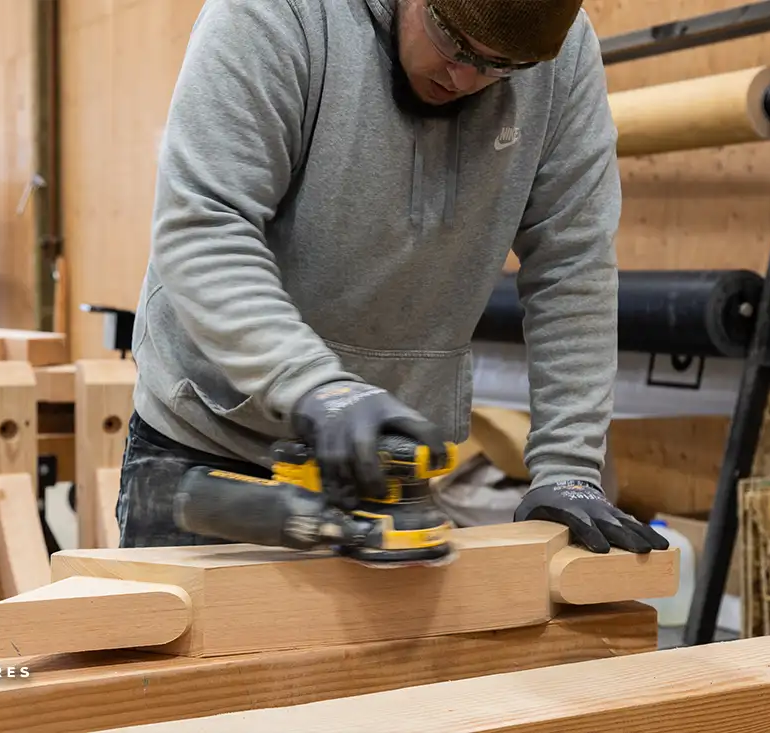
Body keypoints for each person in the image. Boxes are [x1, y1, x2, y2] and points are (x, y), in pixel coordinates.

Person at [118, 0, 668, 556]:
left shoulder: (559, 48)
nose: (467, 79)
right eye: (456, 44)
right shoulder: (273, 14)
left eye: (503, 67)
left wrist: (568, 467)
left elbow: (573, 263)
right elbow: (205, 223)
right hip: (212, 451)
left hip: (383, 467)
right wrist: (317, 389)